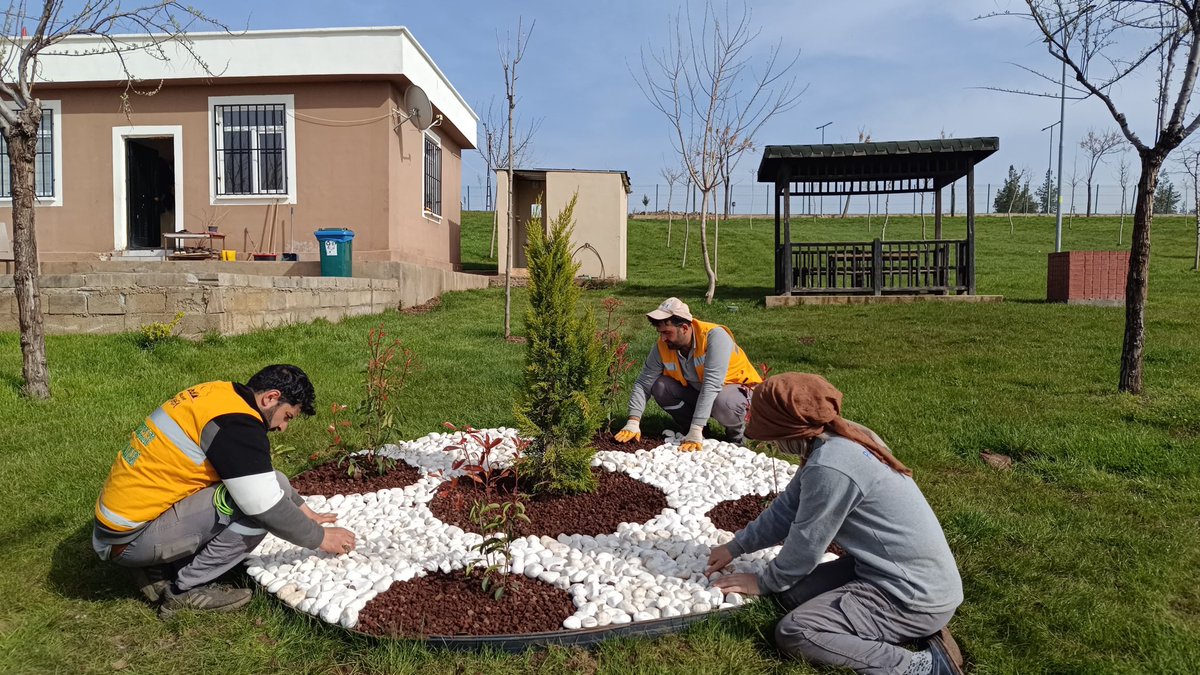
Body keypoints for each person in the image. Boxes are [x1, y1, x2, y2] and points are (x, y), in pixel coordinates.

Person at [705, 373, 964, 675]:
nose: (771, 443)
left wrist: (763, 582)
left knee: (796, 631)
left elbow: (808, 542)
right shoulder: (837, 439)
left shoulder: (831, 466)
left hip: (911, 596)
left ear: (786, 428)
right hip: (890, 572)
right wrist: (736, 546)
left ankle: (924, 666)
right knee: (790, 594)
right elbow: (788, 508)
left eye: (770, 434)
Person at [92, 364, 357, 618]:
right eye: (287, 416)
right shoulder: (236, 425)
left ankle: (156, 566)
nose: (282, 427)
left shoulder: (221, 395)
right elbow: (265, 507)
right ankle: (184, 589)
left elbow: (267, 480)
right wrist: (320, 537)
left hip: (121, 528)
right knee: (256, 513)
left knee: (260, 487)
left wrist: (303, 510)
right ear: (271, 398)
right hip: (129, 540)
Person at [614, 297, 762, 451]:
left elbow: (712, 385)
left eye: (667, 332)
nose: (663, 338)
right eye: (660, 333)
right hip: (701, 392)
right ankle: (697, 431)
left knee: (724, 402)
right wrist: (633, 421)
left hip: (738, 393)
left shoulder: (714, 337)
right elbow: (643, 383)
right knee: (660, 387)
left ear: (684, 328)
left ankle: (738, 437)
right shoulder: (663, 346)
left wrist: (696, 427)